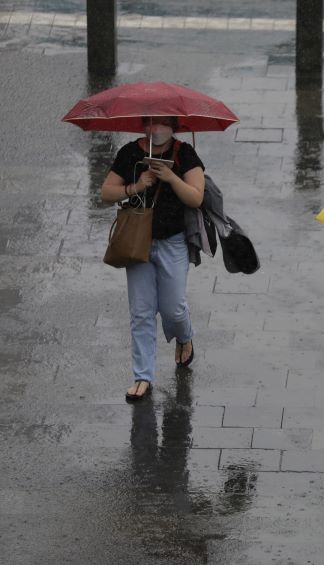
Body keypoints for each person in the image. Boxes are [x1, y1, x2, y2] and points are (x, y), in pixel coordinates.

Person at [101, 116, 205, 401]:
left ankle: (185, 336)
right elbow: (106, 192)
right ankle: (142, 376)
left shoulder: (184, 154)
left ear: (173, 126)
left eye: (160, 123)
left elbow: (196, 197)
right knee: (141, 311)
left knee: (173, 309)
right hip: (138, 241)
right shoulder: (131, 153)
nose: (154, 129)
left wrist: (170, 177)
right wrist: (137, 186)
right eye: (149, 123)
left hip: (173, 242)